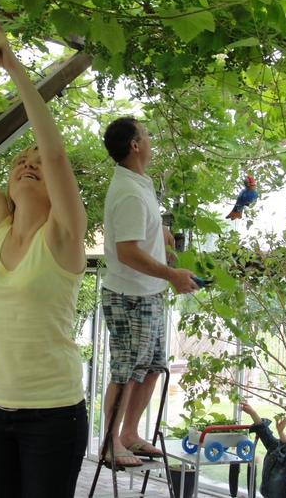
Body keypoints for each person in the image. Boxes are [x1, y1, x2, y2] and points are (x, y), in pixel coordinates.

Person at [0, 20, 88, 498]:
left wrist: (15, 68)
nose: (28, 165)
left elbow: (56, 155)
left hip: (52, 415)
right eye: (18, 163)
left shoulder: (66, 236)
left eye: (35, 165)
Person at [100, 117, 200, 467]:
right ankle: (110, 443)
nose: (151, 139)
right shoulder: (129, 191)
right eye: (147, 134)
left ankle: (129, 434)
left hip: (148, 294)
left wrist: (162, 238)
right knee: (126, 371)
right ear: (135, 145)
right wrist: (172, 273)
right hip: (129, 297)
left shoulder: (137, 183)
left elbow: (136, 235)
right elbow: (126, 251)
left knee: (154, 367)